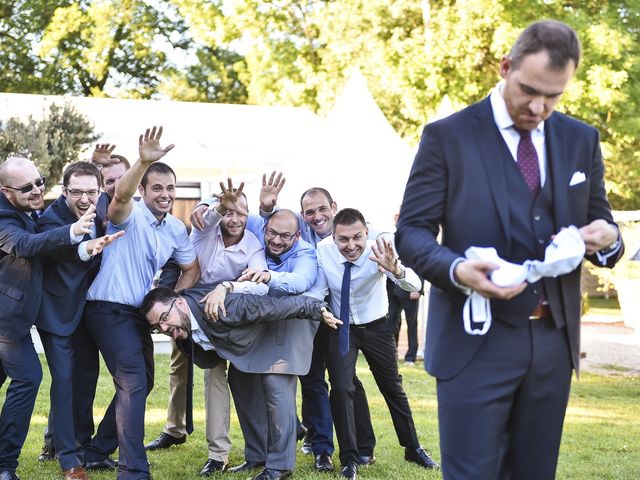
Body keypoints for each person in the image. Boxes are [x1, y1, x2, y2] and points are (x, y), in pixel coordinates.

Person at [396, 20, 623, 480]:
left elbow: (605, 229)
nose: (539, 107)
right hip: (472, 342)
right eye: (529, 90)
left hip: (553, 345)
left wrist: (610, 240)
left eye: (554, 96)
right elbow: (412, 234)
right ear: (506, 67)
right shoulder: (447, 137)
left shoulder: (582, 140)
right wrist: (457, 268)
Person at [80, 126, 200, 480]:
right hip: (105, 308)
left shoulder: (176, 229)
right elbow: (119, 198)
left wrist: (170, 298)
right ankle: (133, 471)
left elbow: (191, 268)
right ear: (144, 190)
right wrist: (143, 162)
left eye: (170, 188)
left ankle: (95, 451)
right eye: (157, 188)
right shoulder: (130, 214)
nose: (164, 194)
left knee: (143, 383)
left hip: (137, 313)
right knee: (133, 381)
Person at [145, 180, 268, 478]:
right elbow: (208, 216)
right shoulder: (205, 230)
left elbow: (259, 284)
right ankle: (174, 429)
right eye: (229, 212)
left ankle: (218, 454)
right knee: (178, 368)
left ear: (248, 215)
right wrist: (216, 205)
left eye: (241, 213)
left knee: (214, 377)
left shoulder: (253, 243)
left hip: (228, 314)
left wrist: (228, 287)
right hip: (189, 312)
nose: (234, 219)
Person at [306, 208, 439, 480]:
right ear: (333, 236)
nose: (351, 245)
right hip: (340, 326)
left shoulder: (381, 245)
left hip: (377, 325)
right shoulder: (323, 251)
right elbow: (318, 288)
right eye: (343, 240)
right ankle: (350, 459)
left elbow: (413, 282)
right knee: (342, 388)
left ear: (366, 232)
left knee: (392, 387)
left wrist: (396, 269)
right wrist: (320, 308)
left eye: (357, 238)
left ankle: (413, 448)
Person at [0, 156, 96, 480]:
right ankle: (8, 465)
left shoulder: (28, 208)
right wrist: (72, 232)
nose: (37, 190)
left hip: (25, 313)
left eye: (39, 182)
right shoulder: (2, 217)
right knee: (29, 378)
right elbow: (27, 245)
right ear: (6, 191)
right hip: (7, 321)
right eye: (27, 187)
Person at [36, 162, 123, 480]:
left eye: (91, 191)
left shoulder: (101, 204)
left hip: (89, 310)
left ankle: (77, 445)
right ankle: (70, 461)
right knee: (64, 381)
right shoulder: (50, 219)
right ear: (63, 191)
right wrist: (86, 248)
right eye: (76, 192)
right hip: (57, 314)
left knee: (86, 380)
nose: (84, 199)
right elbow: (59, 245)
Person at [230, 208, 319, 478]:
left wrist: (269, 276)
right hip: (262, 318)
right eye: (272, 233)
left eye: (285, 236)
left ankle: (279, 466)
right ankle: (256, 454)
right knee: (239, 377)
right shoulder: (260, 227)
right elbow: (230, 207)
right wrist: (202, 207)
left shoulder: (305, 253)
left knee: (275, 384)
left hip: (295, 318)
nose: (277, 240)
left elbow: (301, 281)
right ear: (265, 227)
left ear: (298, 235)